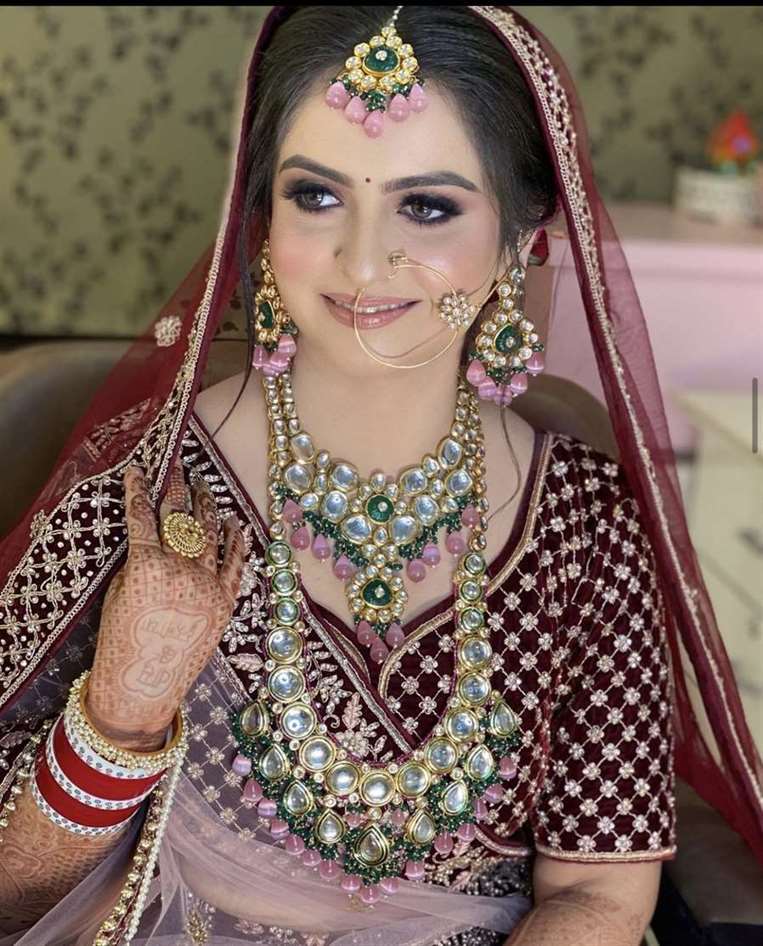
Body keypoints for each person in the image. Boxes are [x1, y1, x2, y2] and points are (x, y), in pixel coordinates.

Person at [0, 6, 761, 946]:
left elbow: (597, 894)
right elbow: (10, 898)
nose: (362, 262)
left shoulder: (587, 524)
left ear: (522, 233)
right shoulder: (146, 488)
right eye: (315, 196)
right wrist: (122, 713)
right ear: (260, 216)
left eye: (427, 206)